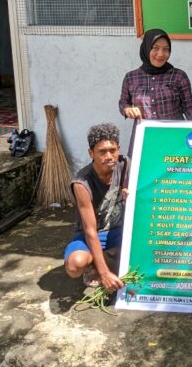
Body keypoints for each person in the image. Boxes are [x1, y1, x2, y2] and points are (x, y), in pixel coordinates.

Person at [64, 123, 129, 292]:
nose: (109, 156)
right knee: (75, 266)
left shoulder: (125, 165)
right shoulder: (82, 182)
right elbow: (90, 231)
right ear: (91, 153)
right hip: (92, 234)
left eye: (112, 150)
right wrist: (105, 273)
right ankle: (98, 263)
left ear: (118, 149)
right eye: (102, 152)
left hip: (118, 231)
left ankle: (103, 258)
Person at [120, 28, 192, 121]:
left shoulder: (179, 76)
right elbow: (123, 103)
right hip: (145, 133)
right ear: (146, 48)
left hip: (173, 134)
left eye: (165, 49)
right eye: (155, 48)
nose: (161, 54)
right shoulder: (131, 77)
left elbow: (189, 108)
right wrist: (127, 109)